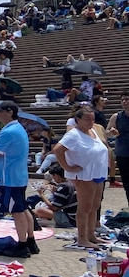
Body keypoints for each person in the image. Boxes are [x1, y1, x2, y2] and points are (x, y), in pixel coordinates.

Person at [53, 106, 110, 249]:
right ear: (77, 120)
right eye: (87, 119)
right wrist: (67, 167)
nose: (90, 122)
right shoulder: (73, 134)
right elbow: (58, 149)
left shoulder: (93, 131)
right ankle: (82, 237)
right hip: (84, 174)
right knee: (85, 206)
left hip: (98, 172)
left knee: (95, 205)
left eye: (92, 119)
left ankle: (91, 235)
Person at [0, 101, 39, 257]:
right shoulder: (19, 128)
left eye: (0, 111)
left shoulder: (8, 131)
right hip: (19, 176)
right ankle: (31, 241)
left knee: (17, 212)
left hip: (9, 177)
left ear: (9, 112)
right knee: (23, 208)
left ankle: (22, 245)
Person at [107, 91, 129, 206]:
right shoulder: (116, 117)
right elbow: (106, 133)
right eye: (123, 100)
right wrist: (112, 132)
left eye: (127, 99)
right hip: (123, 154)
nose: (125, 102)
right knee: (127, 184)